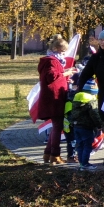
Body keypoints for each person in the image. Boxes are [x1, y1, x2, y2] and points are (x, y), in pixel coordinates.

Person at [78, 27, 104, 165]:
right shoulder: (96, 58)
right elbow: (85, 73)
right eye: (100, 39)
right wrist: (78, 87)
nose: (102, 42)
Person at [38, 35, 79, 165]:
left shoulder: (54, 60)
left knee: (56, 126)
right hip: (54, 98)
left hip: (54, 98)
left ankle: (48, 153)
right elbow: (51, 77)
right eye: (62, 52)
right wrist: (65, 74)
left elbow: (56, 74)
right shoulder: (52, 61)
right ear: (55, 49)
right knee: (57, 126)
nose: (64, 54)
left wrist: (66, 72)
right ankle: (55, 155)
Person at [68, 79, 102, 171]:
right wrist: (99, 125)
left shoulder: (76, 97)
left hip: (76, 126)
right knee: (87, 145)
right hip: (86, 127)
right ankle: (85, 163)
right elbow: (94, 114)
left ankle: (81, 164)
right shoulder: (91, 99)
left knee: (80, 145)